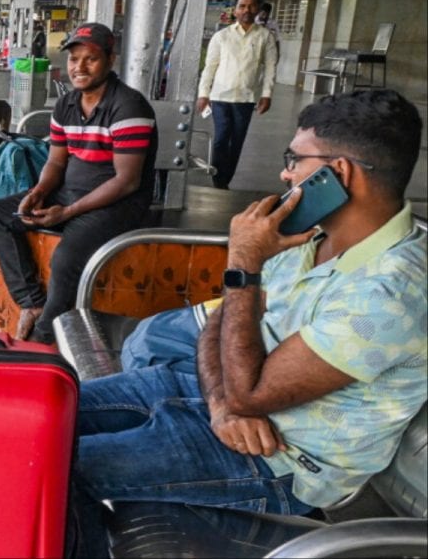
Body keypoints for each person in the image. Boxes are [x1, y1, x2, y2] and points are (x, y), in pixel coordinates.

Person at [69, 89, 427, 558]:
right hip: (203, 397)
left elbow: (250, 391)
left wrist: (243, 263)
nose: (284, 173)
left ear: (338, 173)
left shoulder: (391, 292)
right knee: (41, 421)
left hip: (278, 460)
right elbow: (218, 324)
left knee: (51, 470)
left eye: (294, 160)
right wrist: (223, 406)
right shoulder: (308, 235)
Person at [0, 22, 157, 342]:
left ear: (110, 59)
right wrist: (39, 192)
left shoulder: (128, 106)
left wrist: (67, 212)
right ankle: (33, 303)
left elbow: (127, 181)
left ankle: (44, 342)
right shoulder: (66, 105)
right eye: (74, 59)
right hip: (69, 193)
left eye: (90, 58)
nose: (79, 67)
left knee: (65, 258)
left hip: (117, 204)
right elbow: (56, 160)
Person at [197, 0, 278, 190]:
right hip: (220, 97)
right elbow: (210, 67)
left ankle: (225, 179)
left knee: (237, 141)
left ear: (258, 9)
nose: (247, 10)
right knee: (221, 138)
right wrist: (203, 94)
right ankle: (218, 178)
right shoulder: (221, 36)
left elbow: (270, 68)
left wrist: (267, 95)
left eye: (251, 6)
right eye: (242, 6)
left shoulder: (265, 37)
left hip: (246, 98)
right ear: (235, 10)